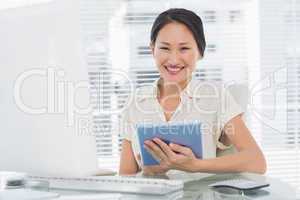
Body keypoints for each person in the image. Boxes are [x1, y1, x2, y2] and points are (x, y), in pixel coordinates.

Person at [119, 8, 266, 175]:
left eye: (184, 49)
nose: (174, 60)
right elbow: (125, 177)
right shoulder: (136, 101)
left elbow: (256, 161)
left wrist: (195, 165)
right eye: (165, 48)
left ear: (200, 52)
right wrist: (148, 173)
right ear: (153, 49)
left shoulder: (215, 96)